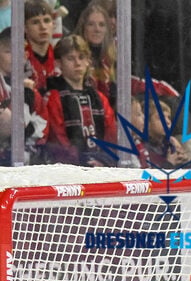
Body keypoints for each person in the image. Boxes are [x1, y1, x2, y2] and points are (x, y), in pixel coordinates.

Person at [44, 34, 116, 166]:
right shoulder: (54, 96)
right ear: (58, 63)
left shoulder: (99, 98)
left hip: (101, 168)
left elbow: (111, 135)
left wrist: (104, 161)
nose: (77, 63)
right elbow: (58, 138)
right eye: (70, 58)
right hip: (67, 170)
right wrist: (81, 163)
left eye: (81, 57)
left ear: (88, 61)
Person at [0, 27, 47, 165]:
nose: (14, 56)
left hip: (29, 162)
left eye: (18, 52)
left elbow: (43, 129)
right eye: (8, 51)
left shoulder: (32, 92)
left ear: (25, 56)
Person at [74, 1, 116, 107]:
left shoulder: (111, 59)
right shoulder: (75, 57)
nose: (97, 29)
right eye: (91, 24)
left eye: (101, 25)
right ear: (83, 28)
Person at [24, 0, 57, 95]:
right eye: (35, 22)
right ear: (24, 28)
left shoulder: (62, 57)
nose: (43, 27)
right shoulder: (17, 60)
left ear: (53, 25)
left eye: (47, 20)